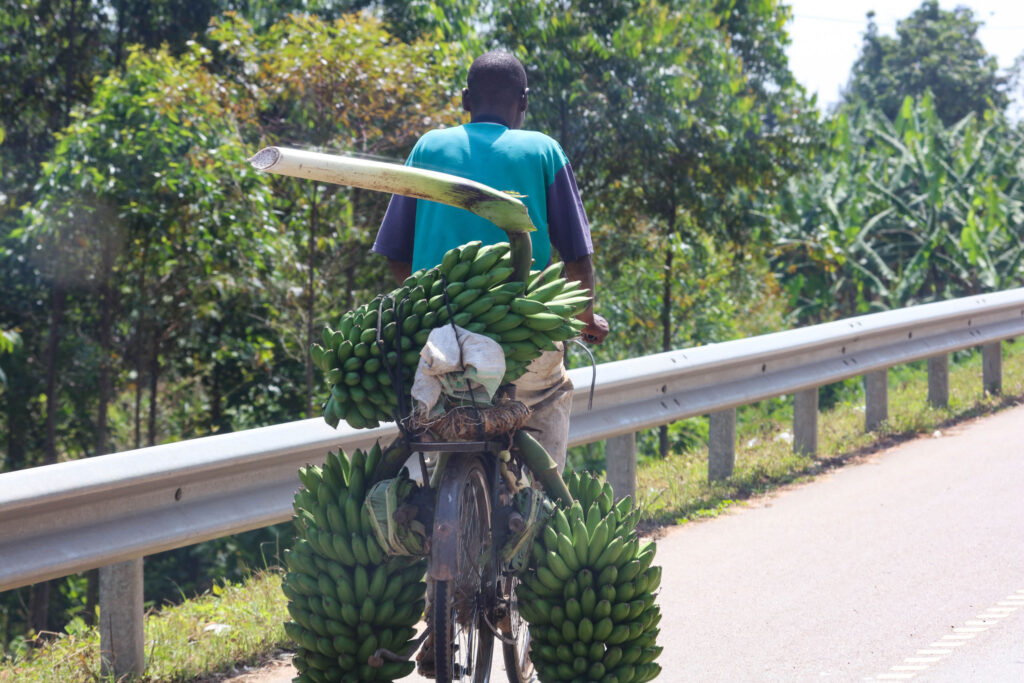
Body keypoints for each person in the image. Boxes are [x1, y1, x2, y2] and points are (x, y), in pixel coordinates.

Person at [373, 50, 609, 475]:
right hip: (522, 337)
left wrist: (420, 306)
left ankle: (424, 508)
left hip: (435, 337)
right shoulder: (543, 151)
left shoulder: (429, 146)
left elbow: (395, 253)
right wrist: (586, 318)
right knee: (551, 391)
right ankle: (542, 517)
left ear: (466, 99)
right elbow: (576, 257)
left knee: (422, 419)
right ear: (524, 102)